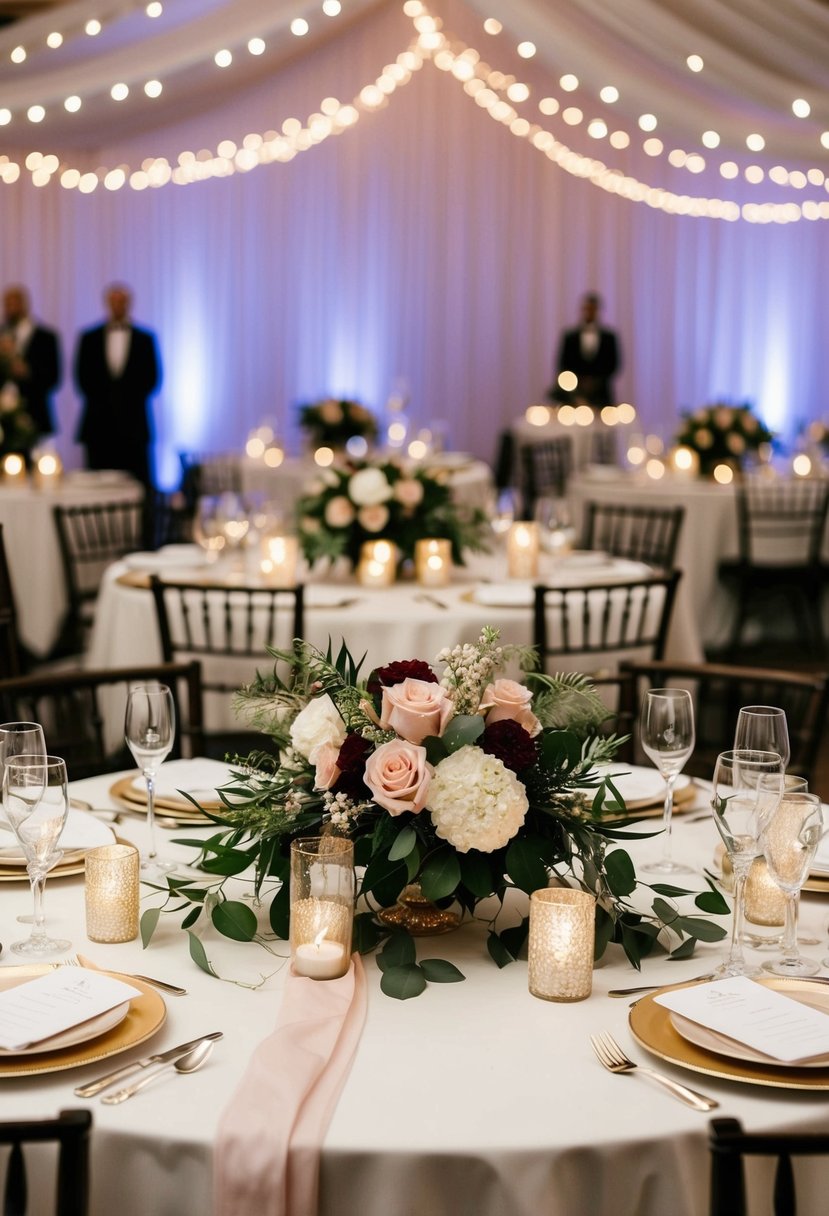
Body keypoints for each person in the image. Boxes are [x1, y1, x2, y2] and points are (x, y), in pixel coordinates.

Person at [74, 283, 161, 486]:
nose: (117, 306)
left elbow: (153, 379)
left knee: (138, 484)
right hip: (98, 425)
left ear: (129, 304)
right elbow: (82, 378)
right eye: (113, 302)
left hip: (135, 425)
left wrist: (126, 401)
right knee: (97, 485)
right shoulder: (89, 338)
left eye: (121, 302)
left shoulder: (145, 339)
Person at [0, 284, 62, 435]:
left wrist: (28, 372)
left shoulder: (46, 337)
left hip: (36, 413)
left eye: (14, 303)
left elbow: (53, 377)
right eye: (7, 304)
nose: (10, 308)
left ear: (24, 303)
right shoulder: (1, 334)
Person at [551, 292, 621, 409]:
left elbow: (614, 364)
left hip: (602, 394)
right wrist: (577, 381)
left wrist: (596, 380)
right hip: (574, 393)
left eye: (593, 309)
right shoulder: (570, 336)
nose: (589, 312)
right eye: (587, 309)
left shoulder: (609, 337)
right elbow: (562, 363)